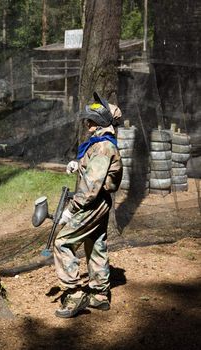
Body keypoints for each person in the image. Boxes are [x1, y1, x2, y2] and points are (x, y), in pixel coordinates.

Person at [53, 92, 123, 318]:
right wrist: (79, 164)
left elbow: (90, 189)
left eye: (91, 121)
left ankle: (74, 294)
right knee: (95, 244)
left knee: (62, 242)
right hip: (99, 202)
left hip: (92, 204)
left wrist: (70, 210)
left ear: (102, 122)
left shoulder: (103, 147)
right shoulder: (100, 144)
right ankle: (100, 295)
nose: (88, 124)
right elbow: (94, 170)